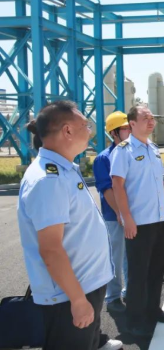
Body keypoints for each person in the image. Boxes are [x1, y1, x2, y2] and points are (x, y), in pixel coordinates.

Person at [17, 100, 121, 350]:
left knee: (88, 340)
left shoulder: (64, 169)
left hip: (84, 284)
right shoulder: (48, 180)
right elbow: (51, 249)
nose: (90, 130)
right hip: (68, 295)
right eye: (85, 125)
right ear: (67, 131)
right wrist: (78, 301)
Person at [110, 105, 164, 338]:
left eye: (151, 117)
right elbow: (117, 185)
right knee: (138, 274)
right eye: (145, 118)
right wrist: (126, 218)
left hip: (157, 220)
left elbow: (159, 182)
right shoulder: (123, 151)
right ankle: (135, 320)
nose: (151, 121)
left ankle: (153, 310)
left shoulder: (153, 149)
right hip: (138, 223)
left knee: (157, 269)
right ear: (132, 124)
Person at [93, 111, 130, 314]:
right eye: (125, 128)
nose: (129, 131)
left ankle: (130, 291)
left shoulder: (130, 152)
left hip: (131, 214)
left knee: (130, 256)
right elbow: (107, 189)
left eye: (129, 127)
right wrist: (120, 212)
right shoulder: (103, 158)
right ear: (114, 133)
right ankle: (113, 296)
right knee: (115, 256)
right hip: (114, 216)